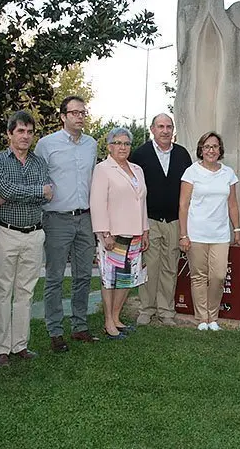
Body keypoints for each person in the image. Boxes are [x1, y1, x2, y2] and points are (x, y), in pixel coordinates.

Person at [0, 111, 52, 366]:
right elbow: (6, 189)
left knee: (25, 292)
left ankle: (20, 345)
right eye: (20, 131)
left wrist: (21, 194)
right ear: (9, 134)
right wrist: (36, 191)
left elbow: (49, 194)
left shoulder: (39, 163)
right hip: (6, 232)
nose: (25, 136)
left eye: (29, 132)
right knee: (2, 291)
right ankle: (0, 348)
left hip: (34, 234)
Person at [35, 96, 98, 351]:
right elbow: (39, 178)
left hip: (85, 218)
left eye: (83, 112)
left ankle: (80, 326)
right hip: (57, 219)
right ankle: (55, 331)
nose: (80, 117)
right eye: (74, 113)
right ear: (63, 116)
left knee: (84, 275)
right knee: (55, 278)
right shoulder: (46, 145)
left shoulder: (92, 145)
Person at [130, 114, 192, 326]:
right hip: (150, 221)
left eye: (169, 126)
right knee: (150, 265)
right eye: (161, 126)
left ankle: (166, 310)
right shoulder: (140, 154)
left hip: (174, 221)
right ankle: (146, 309)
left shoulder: (182, 154)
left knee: (170, 267)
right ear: (152, 129)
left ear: (173, 130)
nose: (165, 131)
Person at [179, 132, 240, 331]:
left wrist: (237, 229)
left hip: (220, 235)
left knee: (218, 276)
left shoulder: (228, 173)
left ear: (220, 150)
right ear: (201, 149)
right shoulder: (191, 172)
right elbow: (183, 205)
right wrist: (183, 234)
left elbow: (232, 204)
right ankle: (202, 319)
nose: (211, 150)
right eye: (207, 147)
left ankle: (213, 316)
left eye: (214, 146)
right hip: (196, 233)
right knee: (199, 276)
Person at [90, 127, 149, 339]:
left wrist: (145, 230)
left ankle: (116, 317)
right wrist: (104, 233)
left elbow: (141, 201)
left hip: (135, 233)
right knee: (110, 278)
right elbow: (97, 203)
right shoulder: (103, 169)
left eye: (126, 143)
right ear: (109, 146)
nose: (122, 147)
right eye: (118, 143)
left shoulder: (137, 169)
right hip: (112, 235)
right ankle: (108, 322)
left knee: (127, 279)